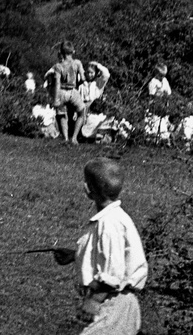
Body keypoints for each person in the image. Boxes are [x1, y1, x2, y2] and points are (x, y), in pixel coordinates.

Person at [50, 158, 147, 334]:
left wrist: (94, 301)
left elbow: (113, 273)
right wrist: (76, 255)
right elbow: (110, 257)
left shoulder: (109, 224)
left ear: (87, 189)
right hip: (115, 301)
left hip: (113, 302)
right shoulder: (113, 218)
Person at [48, 41, 87, 145]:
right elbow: (83, 78)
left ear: (61, 52)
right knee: (81, 112)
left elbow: (57, 83)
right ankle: (74, 138)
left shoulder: (58, 66)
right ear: (73, 51)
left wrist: (56, 100)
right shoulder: (77, 63)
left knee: (62, 114)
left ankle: (65, 137)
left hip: (61, 92)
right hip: (72, 92)